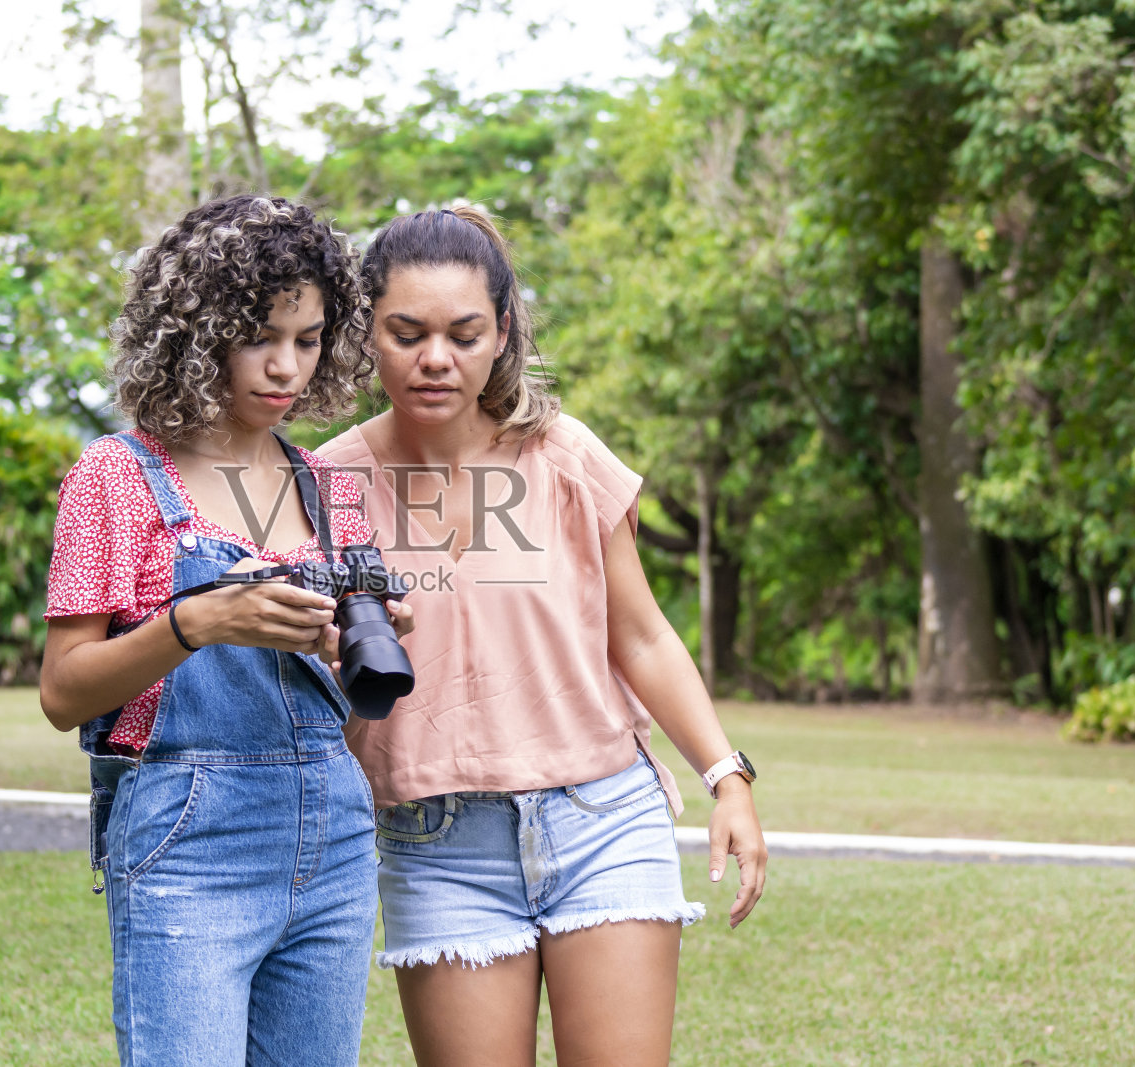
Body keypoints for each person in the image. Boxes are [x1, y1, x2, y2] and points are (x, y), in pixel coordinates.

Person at [317, 206, 767, 1066]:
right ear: (365, 331)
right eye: (405, 332)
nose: (435, 358)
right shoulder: (328, 485)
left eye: (463, 332)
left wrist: (727, 776)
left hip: (601, 816)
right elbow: (309, 685)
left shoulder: (563, 458)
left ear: (503, 333)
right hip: (435, 841)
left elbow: (641, 638)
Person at [39, 194, 407, 1066]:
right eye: (259, 337)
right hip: (187, 832)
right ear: (196, 332)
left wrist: (347, 636)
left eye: (308, 339)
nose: (285, 368)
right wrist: (199, 620)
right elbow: (63, 693)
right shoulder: (115, 478)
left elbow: (355, 703)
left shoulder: (328, 487)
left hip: (334, 829)